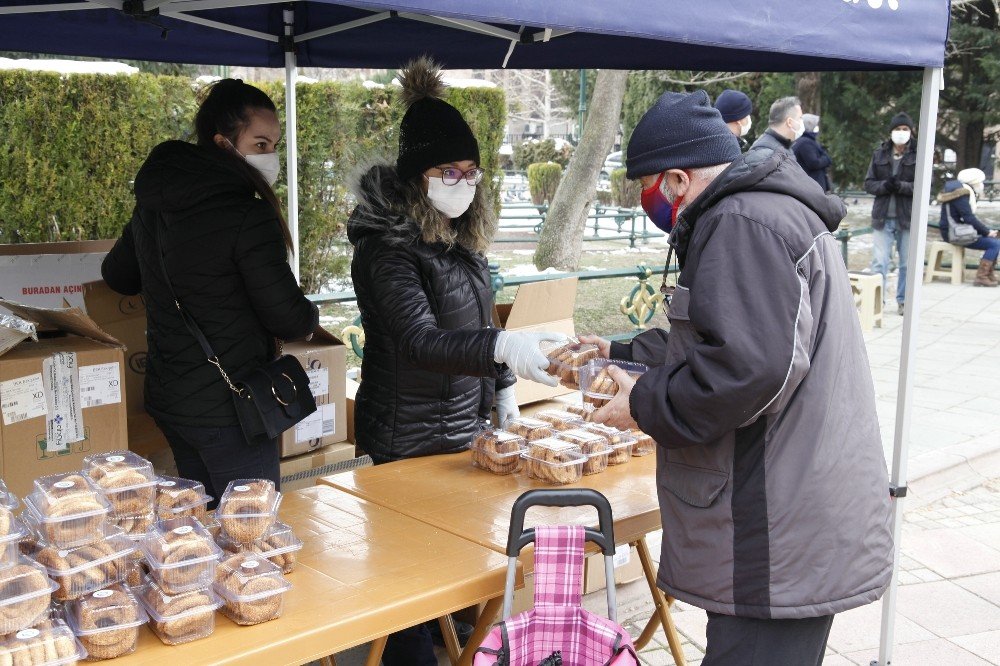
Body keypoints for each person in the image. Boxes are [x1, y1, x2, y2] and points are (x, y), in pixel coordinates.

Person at [585, 90, 892, 666]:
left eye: (650, 188)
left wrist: (644, 404)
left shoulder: (743, 222)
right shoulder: (757, 212)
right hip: (793, 508)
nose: (650, 202)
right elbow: (716, 331)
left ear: (678, 178)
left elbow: (747, 370)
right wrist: (622, 350)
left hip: (776, 526)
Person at [347, 57, 562, 665]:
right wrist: (503, 350)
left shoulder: (459, 240)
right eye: (448, 170)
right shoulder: (385, 249)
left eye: (471, 171)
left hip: (461, 433)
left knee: (456, 564)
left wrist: (503, 395)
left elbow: (476, 326)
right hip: (404, 436)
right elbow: (419, 340)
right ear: (418, 176)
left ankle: (456, 641)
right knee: (406, 584)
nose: (463, 182)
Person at [101, 79, 318, 499]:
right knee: (249, 538)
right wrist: (311, 318)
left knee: (201, 537)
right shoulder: (246, 215)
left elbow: (118, 276)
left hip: (172, 400)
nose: (270, 156)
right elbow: (286, 316)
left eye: (274, 144)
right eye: (259, 144)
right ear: (223, 142)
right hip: (232, 407)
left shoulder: (154, 205)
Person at [864, 112, 917, 315]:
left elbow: (925, 185)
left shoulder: (918, 153)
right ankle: (877, 302)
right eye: (898, 129)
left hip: (908, 217)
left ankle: (904, 301)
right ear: (891, 132)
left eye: (905, 129)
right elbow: (869, 183)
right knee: (879, 262)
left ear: (911, 132)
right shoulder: (880, 154)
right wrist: (885, 186)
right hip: (882, 217)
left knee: (907, 263)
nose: (901, 133)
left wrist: (902, 186)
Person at [938, 167, 1000, 287]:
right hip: (954, 233)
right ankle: (982, 276)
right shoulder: (961, 194)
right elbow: (969, 218)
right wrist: (986, 232)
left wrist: (985, 232)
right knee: (995, 244)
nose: (981, 185)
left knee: (995, 241)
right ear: (974, 182)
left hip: (953, 230)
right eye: (980, 182)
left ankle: (988, 274)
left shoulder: (956, 190)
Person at [792, 113, 832, 192]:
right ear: (810, 125)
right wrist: (826, 159)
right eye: (816, 124)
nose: (817, 127)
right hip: (812, 188)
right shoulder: (805, 143)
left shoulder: (806, 141)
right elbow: (814, 163)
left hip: (811, 186)